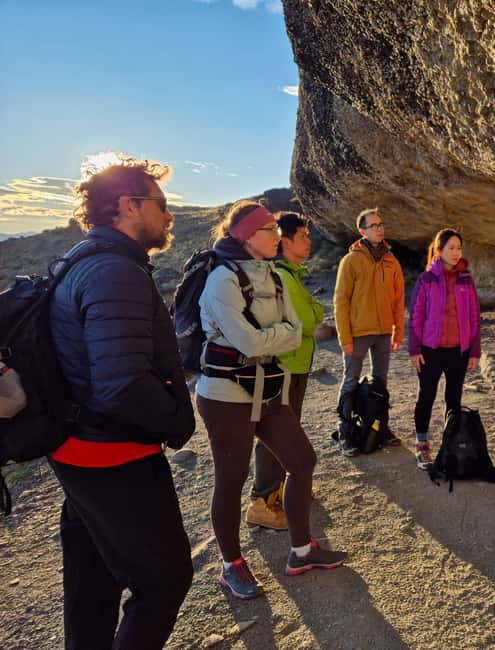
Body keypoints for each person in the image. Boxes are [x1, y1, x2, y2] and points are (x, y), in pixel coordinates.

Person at [48, 153, 196, 649]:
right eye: (161, 204)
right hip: (113, 455)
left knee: (93, 578)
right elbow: (121, 385)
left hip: (78, 448)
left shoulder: (81, 261)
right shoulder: (115, 272)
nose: (169, 215)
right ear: (128, 205)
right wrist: (176, 420)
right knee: (163, 581)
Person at [196, 201, 345, 599]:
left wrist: (272, 338)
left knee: (302, 461)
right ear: (247, 236)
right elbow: (251, 341)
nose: (277, 236)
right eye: (270, 230)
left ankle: (302, 551)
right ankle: (231, 566)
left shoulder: (273, 275)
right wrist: (276, 337)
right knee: (231, 479)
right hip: (226, 394)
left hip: (267, 387)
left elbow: (295, 331)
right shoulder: (222, 280)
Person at [245, 211, 324, 529]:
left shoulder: (290, 274)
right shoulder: (283, 276)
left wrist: (312, 311)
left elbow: (309, 315)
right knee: (275, 434)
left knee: (286, 433)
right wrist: (315, 311)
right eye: (302, 235)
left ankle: (281, 491)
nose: (308, 241)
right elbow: (308, 321)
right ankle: (261, 502)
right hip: (283, 367)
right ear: (286, 241)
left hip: (293, 364)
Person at [333, 207, 405, 455]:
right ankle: (346, 432)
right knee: (350, 381)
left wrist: (398, 331)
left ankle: (380, 428)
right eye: (373, 225)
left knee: (381, 382)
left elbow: (398, 299)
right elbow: (340, 301)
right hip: (358, 333)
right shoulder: (351, 260)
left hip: (384, 331)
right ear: (362, 231)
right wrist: (344, 338)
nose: (379, 229)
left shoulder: (391, 261)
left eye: (380, 224)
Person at [408, 229, 481, 469]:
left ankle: (450, 446)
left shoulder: (466, 279)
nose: (456, 252)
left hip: (458, 351)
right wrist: (414, 349)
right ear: (439, 251)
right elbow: (416, 316)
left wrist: (474, 351)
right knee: (426, 396)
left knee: (454, 399)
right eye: (451, 248)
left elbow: (474, 317)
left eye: (459, 248)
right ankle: (422, 445)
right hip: (430, 350)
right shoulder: (426, 280)